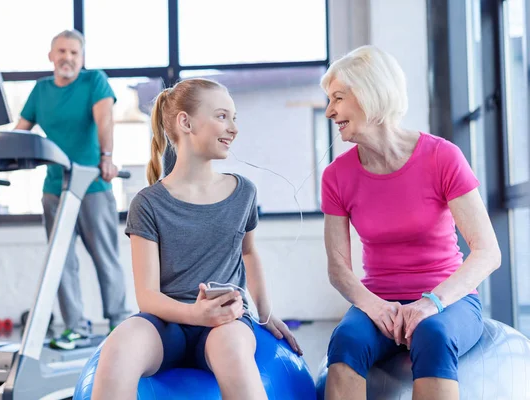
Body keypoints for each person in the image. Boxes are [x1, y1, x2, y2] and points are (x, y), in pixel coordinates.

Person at [91, 78, 303, 400]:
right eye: (222, 116)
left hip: (225, 324)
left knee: (232, 349)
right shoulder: (148, 203)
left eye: (234, 118)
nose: (233, 128)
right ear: (186, 122)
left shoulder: (243, 192)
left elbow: (249, 252)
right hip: (165, 324)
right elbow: (147, 295)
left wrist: (266, 312)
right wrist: (194, 314)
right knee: (118, 348)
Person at [318, 45, 501, 400]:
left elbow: (487, 252)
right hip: (379, 299)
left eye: (338, 98)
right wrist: (376, 307)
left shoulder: (441, 157)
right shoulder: (336, 177)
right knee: (346, 340)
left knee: (432, 334)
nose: (329, 111)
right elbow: (338, 269)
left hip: (448, 299)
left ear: (370, 93)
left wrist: (432, 302)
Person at [0, 29, 131, 349]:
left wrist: (107, 157)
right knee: (61, 261)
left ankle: (119, 324)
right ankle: (76, 326)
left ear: (82, 58)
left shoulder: (94, 82)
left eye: (74, 53)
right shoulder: (41, 90)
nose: (68, 58)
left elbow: (104, 118)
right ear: (51, 56)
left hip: (92, 184)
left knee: (104, 257)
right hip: (55, 188)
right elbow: (20, 134)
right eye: (62, 51)